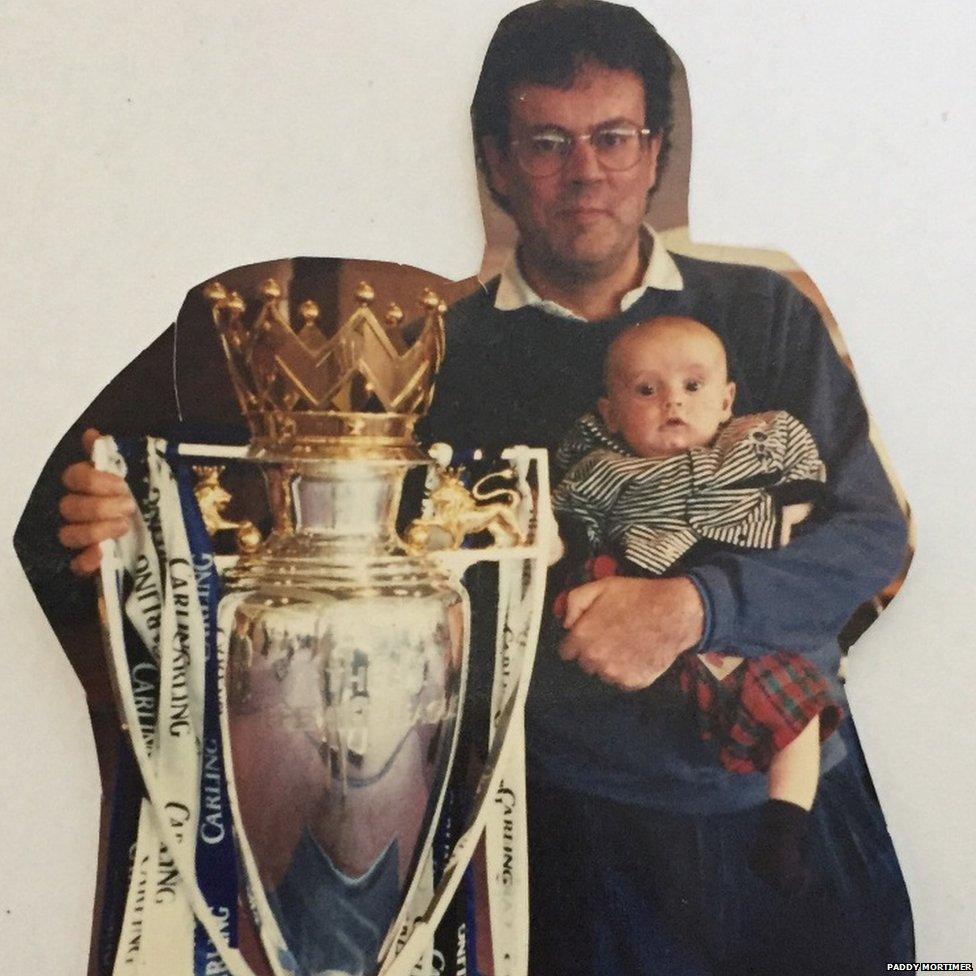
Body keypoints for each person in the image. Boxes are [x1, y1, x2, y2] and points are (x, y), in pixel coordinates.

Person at [32, 1, 913, 974]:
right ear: (494, 162)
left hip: (800, 826)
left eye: (613, 137)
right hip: (572, 846)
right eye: (547, 141)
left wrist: (695, 607)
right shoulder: (432, 354)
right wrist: (138, 537)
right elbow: (332, 577)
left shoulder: (763, 311)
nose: (586, 172)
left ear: (655, 152)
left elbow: (870, 537)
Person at [551, 314, 844, 894]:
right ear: (610, 412)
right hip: (631, 595)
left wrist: (790, 518)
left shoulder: (755, 445)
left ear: (727, 399)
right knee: (585, 593)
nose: (671, 404)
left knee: (798, 707)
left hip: (734, 600)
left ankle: (783, 828)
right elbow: (567, 529)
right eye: (645, 390)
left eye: (693, 386)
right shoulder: (602, 470)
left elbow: (805, 489)